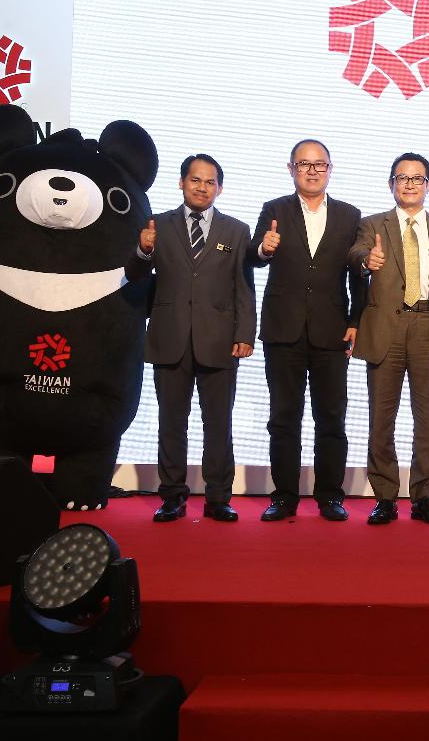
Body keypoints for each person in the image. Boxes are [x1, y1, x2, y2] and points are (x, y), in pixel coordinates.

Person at [129, 153, 255, 523]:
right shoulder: (158, 226)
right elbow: (135, 274)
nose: (203, 187)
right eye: (195, 180)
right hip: (170, 338)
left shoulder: (236, 230)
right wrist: (143, 250)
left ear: (219, 187)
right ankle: (172, 496)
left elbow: (243, 287)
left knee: (219, 423)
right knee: (171, 422)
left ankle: (218, 497)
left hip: (219, 339)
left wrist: (245, 332)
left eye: (210, 181)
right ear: (181, 183)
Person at [350, 152, 429, 525]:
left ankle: (423, 497)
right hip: (385, 327)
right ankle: (385, 496)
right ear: (391, 184)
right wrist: (366, 260)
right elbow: (354, 254)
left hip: (428, 327)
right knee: (381, 419)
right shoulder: (373, 224)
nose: (409, 184)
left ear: (428, 185)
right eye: (402, 178)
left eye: (417, 179)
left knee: (428, 418)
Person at [249, 139, 365, 521]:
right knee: (284, 417)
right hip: (283, 330)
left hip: (332, 331)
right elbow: (254, 256)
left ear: (330, 169)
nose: (312, 170)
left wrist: (355, 321)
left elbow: (357, 276)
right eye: (304, 164)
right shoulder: (274, 209)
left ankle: (330, 495)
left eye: (320, 164)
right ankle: (283, 496)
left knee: (331, 417)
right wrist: (265, 249)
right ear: (291, 169)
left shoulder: (350, 216)